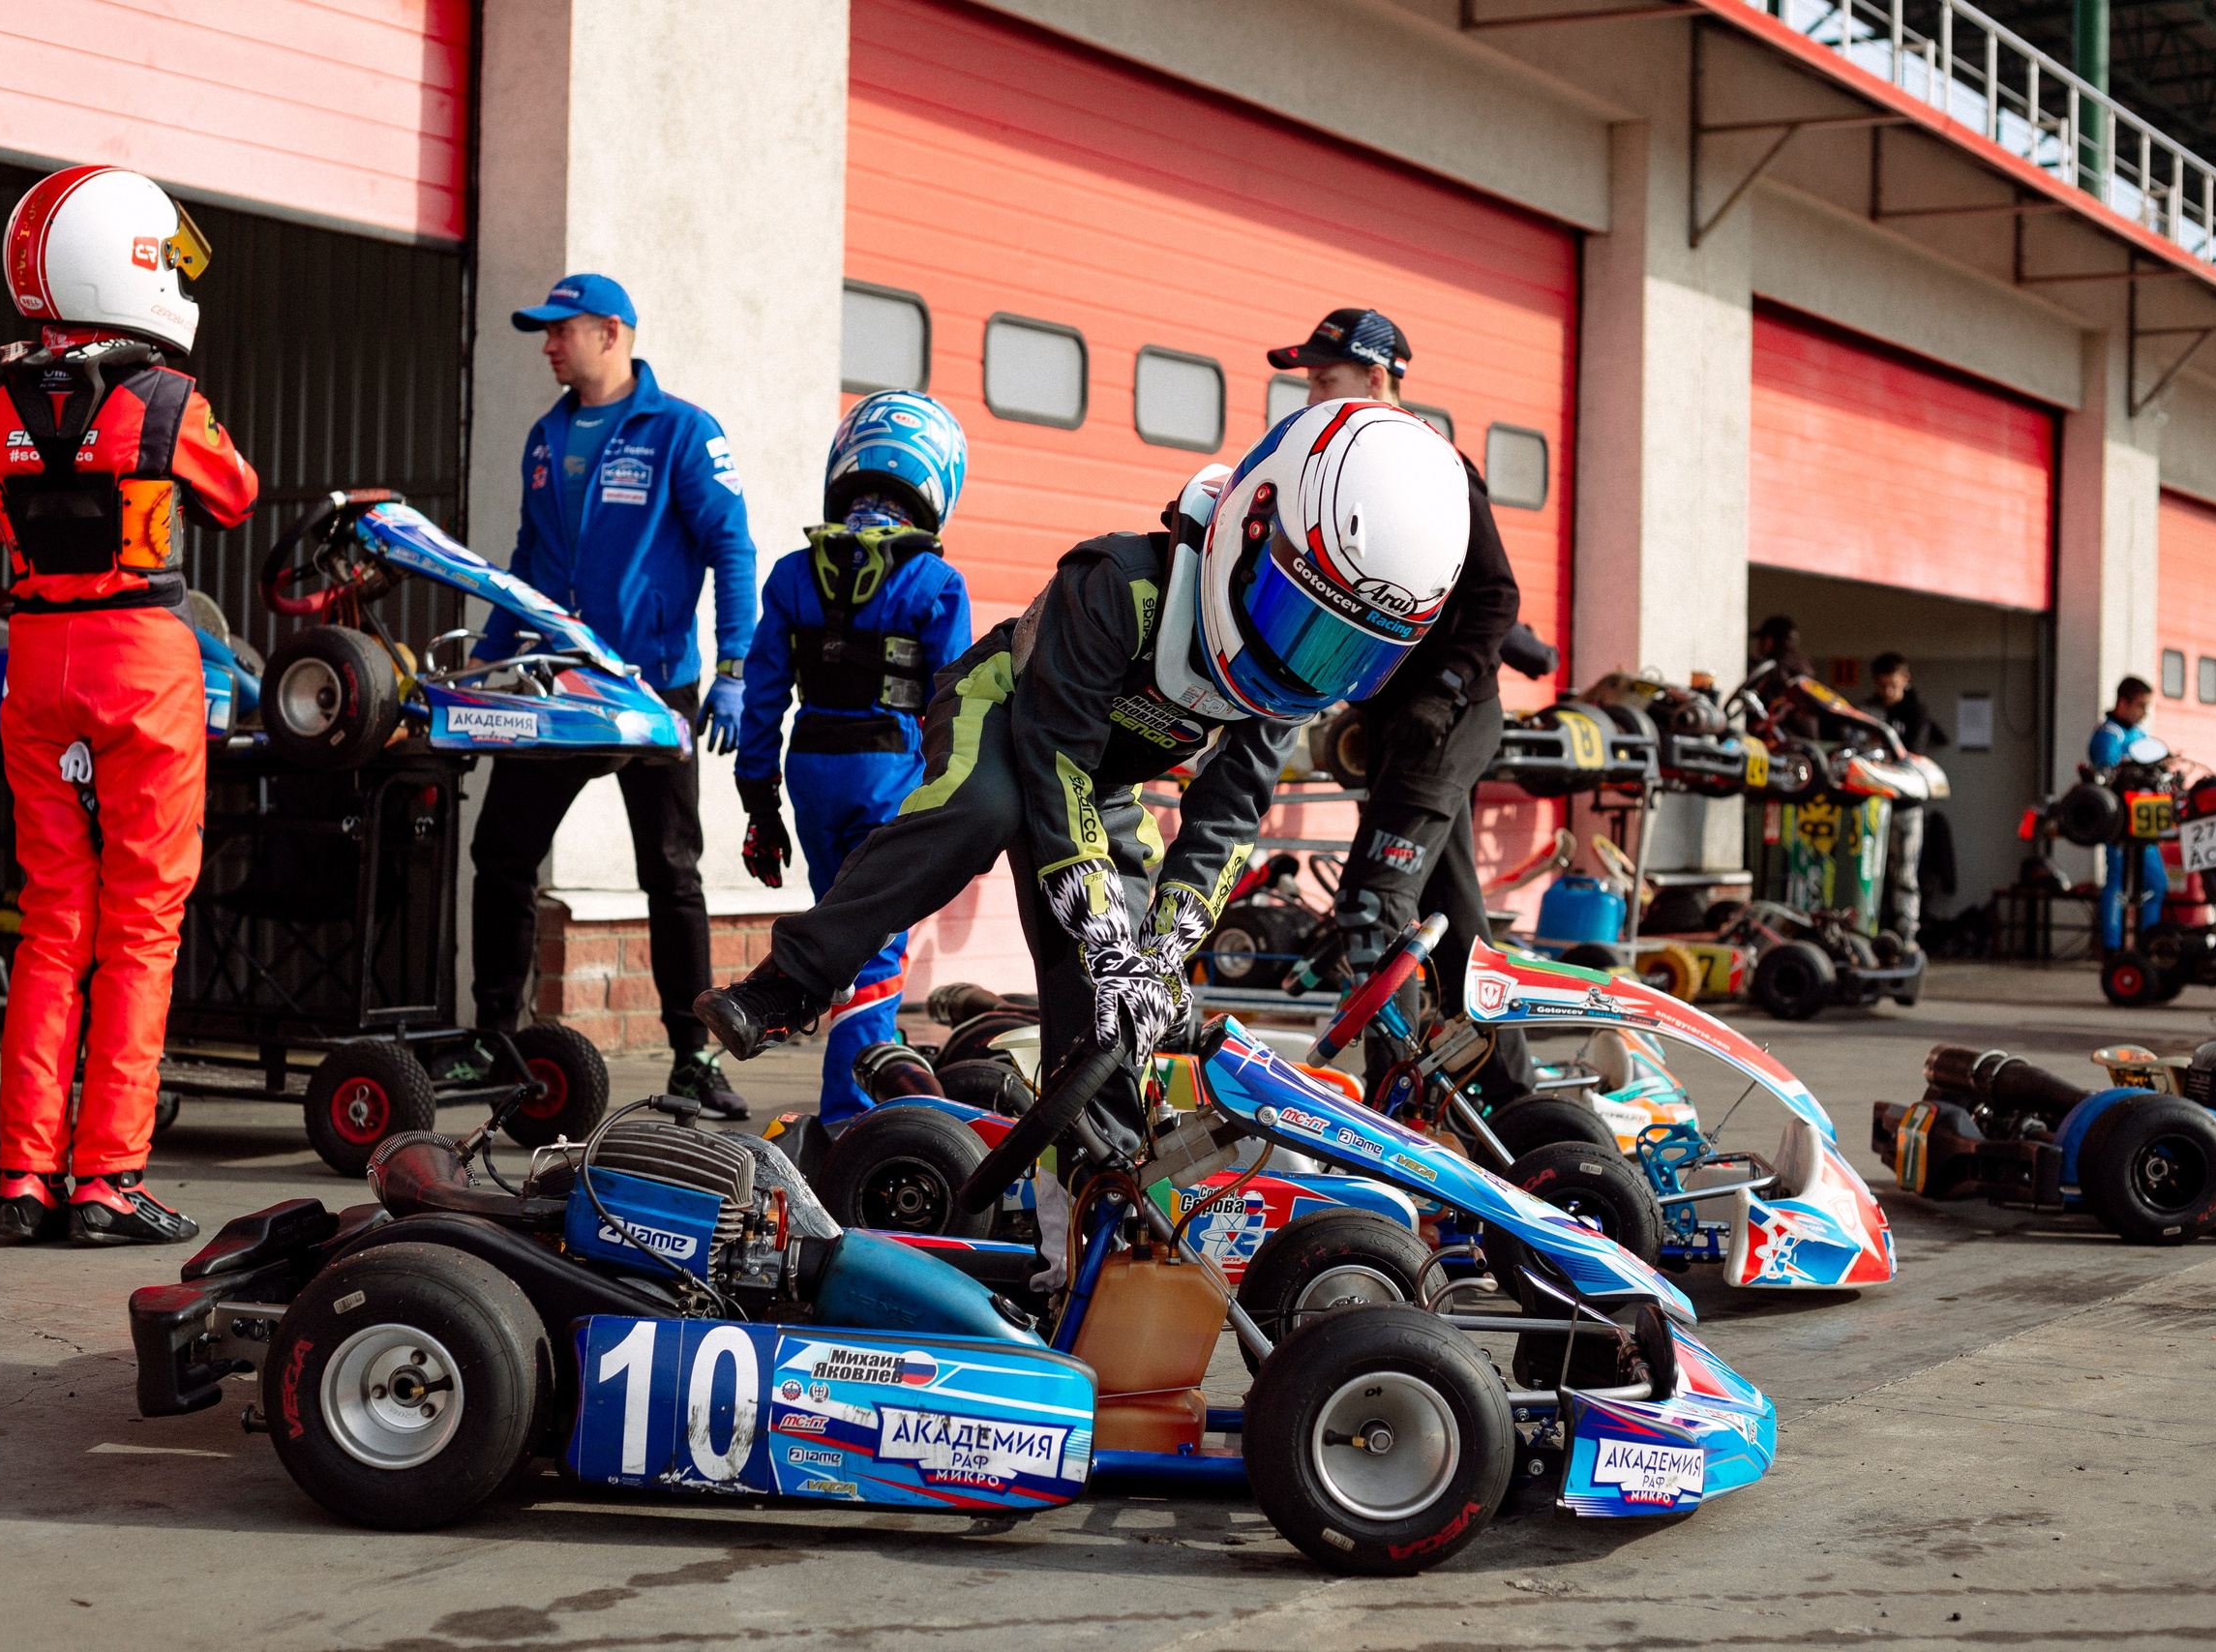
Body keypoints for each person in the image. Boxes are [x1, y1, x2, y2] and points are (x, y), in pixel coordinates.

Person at [696, 399, 1475, 1151]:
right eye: (1298, 616)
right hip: (1006, 712)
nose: (1305, 662)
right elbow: (1052, 751)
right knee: (983, 809)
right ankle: (789, 982)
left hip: (1100, 774)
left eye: (1342, 648)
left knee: (1114, 1004)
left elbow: (1229, 818)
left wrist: (1160, 953)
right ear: (1252, 522)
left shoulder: (1293, 682)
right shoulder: (1119, 582)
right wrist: (1106, 937)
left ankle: (1087, 1199)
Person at [0, 165, 258, 1243]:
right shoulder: (168, 400)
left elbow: (1, 527)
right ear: (133, 264)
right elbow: (237, 494)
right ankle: (106, 1184)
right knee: (140, 926)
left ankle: (23, 1182)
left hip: (33, 662)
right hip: (141, 659)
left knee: (53, 925)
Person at [465, 274, 760, 1118]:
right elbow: (526, 566)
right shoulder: (543, 438)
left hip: (654, 688)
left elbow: (731, 550)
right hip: (562, 685)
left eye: (562, 330)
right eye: (545, 332)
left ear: (612, 332)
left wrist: (734, 669)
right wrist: (486, 665)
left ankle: (694, 1055)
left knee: (670, 872)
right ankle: (494, 1039)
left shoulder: (682, 432)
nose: (549, 344)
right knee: (502, 854)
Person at [1270, 307, 1536, 1104]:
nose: (1311, 392)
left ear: (1378, 379)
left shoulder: (1435, 466)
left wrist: (1447, 687)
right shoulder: (1338, 467)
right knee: (1452, 915)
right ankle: (1517, 1098)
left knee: (1372, 902)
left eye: (1326, 377)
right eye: (1308, 380)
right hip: (1396, 725)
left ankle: (1394, 1104)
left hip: (1448, 720)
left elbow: (1497, 595)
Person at [734, 393, 973, 1126]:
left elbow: (763, 693)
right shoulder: (937, 582)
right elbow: (958, 702)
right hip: (887, 771)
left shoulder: (789, 572)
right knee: (875, 945)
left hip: (810, 774)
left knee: (841, 924)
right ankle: (852, 1114)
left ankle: (872, 1054)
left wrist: (758, 803)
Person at [1867, 651, 1947, 946]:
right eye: (1881, 685)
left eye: (1892, 685)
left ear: (1905, 680)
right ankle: (1867, 927)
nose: (1887, 692)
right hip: (1873, 804)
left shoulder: (1916, 713)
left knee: (1905, 873)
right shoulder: (1870, 711)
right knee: (1870, 870)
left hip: (1905, 806)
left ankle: (1907, 934)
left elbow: (1912, 753)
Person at [2091, 675, 2167, 951]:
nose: (2144, 713)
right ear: (2123, 703)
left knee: (2156, 882)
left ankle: (2149, 943)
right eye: (2140, 705)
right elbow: (2105, 770)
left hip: (2145, 823)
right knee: (2118, 882)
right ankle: (2112, 946)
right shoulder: (2108, 734)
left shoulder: (2139, 735)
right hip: (2121, 824)